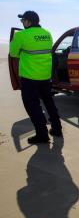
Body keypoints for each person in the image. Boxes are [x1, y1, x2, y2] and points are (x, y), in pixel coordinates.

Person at [9, 11, 63, 144]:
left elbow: (13, 53)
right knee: (48, 102)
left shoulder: (21, 35)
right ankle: (57, 128)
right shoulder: (47, 33)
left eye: (23, 21)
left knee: (32, 105)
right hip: (45, 76)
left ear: (28, 22)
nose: (22, 23)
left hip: (29, 77)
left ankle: (42, 134)